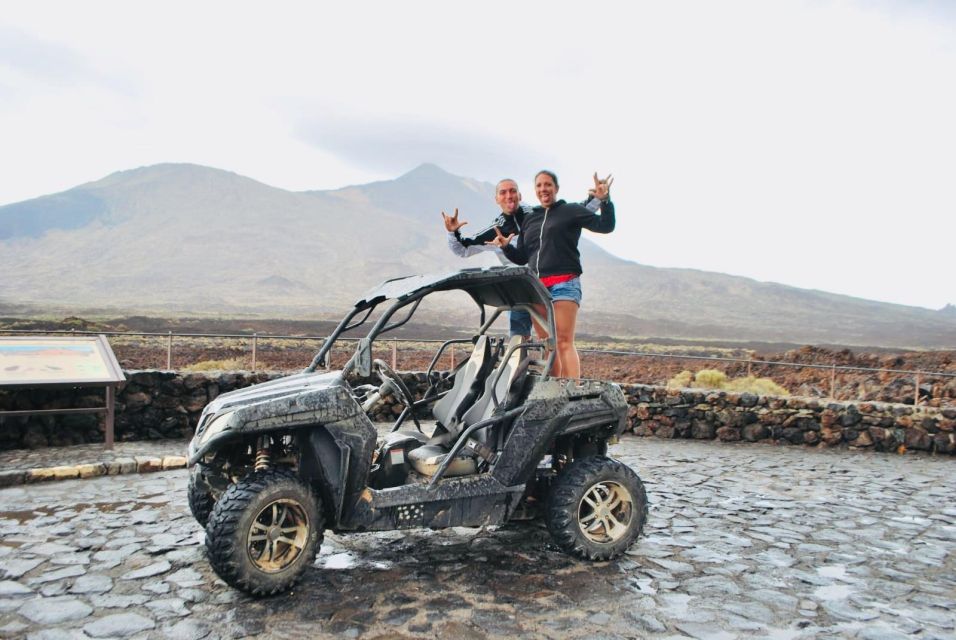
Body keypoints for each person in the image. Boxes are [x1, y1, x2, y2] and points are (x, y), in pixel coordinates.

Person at [488, 171, 614, 379]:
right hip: (538, 288)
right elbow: (522, 257)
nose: (543, 189)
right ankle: (553, 391)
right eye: (539, 186)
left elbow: (606, 226)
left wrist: (606, 201)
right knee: (549, 344)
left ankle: (572, 391)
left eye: (547, 185)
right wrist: (505, 248)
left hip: (564, 283)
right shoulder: (530, 219)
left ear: (556, 188)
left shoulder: (570, 211)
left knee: (563, 341)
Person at [441, 178, 533, 339]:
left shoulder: (537, 215)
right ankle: (521, 362)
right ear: (497, 199)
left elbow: (565, 214)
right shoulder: (495, 230)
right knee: (519, 341)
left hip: (546, 283)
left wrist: (594, 200)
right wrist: (453, 232)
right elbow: (463, 249)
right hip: (520, 291)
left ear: (520, 195)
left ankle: (554, 364)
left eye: (512, 191)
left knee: (552, 337)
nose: (509, 196)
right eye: (503, 192)